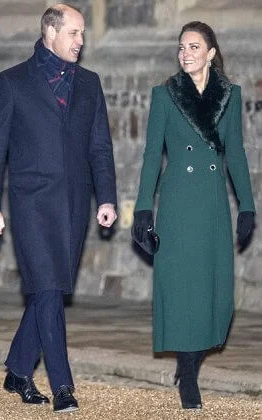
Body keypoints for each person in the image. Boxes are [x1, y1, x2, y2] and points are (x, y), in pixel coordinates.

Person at [0, 4, 117, 413]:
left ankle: (19, 368)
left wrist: (107, 196)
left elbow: (100, 147)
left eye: (82, 34)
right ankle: (63, 387)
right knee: (47, 289)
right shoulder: (12, 82)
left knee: (50, 290)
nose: (81, 41)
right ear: (51, 33)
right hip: (31, 205)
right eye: (75, 33)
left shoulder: (90, 84)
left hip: (75, 204)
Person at [132, 21, 255, 410]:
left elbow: (235, 152)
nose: (185, 53)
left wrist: (248, 205)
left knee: (215, 293)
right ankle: (188, 375)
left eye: (194, 46)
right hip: (179, 202)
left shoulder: (230, 96)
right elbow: (153, 154)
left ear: (211, 53)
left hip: (213, 203)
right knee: (182, 288)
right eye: (181, 46)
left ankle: (191, 361)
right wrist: (142, 209)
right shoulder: (165, 95)